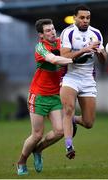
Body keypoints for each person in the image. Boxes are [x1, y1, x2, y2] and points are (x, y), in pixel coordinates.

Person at [17, 18, 73, 175]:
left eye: (53, 29)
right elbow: (53, 59)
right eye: (48, 30)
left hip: (55, 95)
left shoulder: (61, 42)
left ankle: (38, 150)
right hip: (38, 95)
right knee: (37, 135)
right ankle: (21, 161)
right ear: (41, 35)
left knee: (60, 131)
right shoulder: (40, 47)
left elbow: (72, 49)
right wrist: (74, 59)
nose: (52, 32)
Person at [60, 5, 107, 159]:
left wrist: (101, 52)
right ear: (75, 18)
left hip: (88, 79)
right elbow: (65, 56)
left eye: (87, 18)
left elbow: (104, 59)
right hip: (70, 77)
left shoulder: (96, 33)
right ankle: (69, 145)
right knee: (68, 109)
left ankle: (73, 119)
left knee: (88, 123)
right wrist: (85, 49)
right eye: (82, 17)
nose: (85, 20)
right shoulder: (68, 33)